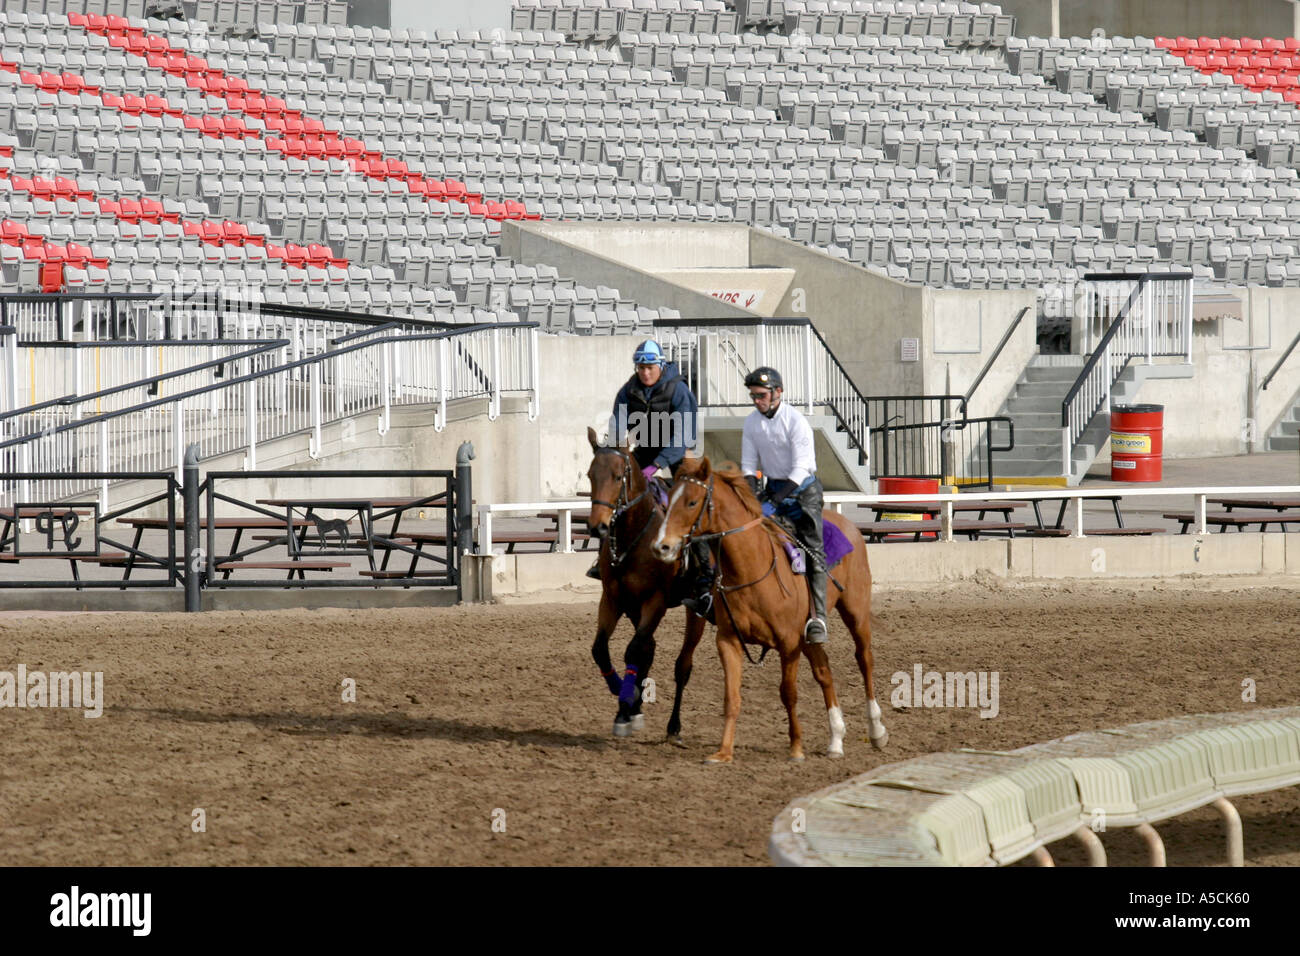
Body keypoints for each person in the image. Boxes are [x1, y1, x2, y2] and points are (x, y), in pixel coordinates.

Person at [589, 341, 713, 606]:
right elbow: (617, 426)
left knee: (692, 503)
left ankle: (704, 572)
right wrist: (615, 452)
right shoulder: (628, 390)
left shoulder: (679, 391)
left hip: (679, 454)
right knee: (620, 494)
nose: (645, 373)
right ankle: (602, 560)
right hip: (643, 451)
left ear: (661, 365)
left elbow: (682, 437)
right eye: (641, 367)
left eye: (649, 367)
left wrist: (656, 465)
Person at [736, 366, 830, 644]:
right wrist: (754, 494)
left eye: (762, 395)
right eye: (753, 396)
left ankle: (818, 618)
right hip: (773, 488)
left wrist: (775, 500)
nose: (757, 401)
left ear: (778, 392)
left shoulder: (796, 421)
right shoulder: (751, 423)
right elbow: (749, 465)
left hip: (804, 492)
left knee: (813, 549)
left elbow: (802, 467)